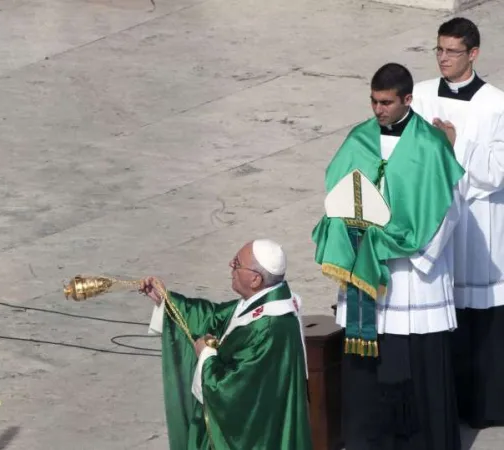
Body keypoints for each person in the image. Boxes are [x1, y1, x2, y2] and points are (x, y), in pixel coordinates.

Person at [312, 63, 464, 449]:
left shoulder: (430, 146)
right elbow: (338, 195)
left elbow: (449, 206)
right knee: (369, 369)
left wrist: (413, 250)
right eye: (374, 101)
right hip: (366, 268)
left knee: (414, 360)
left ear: (407, 100)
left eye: (386, 102)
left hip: (412, 275)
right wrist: (354, 235)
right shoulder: (358, 139)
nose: (378, 109)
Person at [411, 17, 504, 429]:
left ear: (474, 54)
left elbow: (497, 172)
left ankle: (484, 408)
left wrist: (454, 146)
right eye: (439, 50)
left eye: (451, 51)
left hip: (480, 224)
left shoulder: (496, 104)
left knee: (481, 322)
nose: (443, 58)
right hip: (436, 222)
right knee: (443, 317)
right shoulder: (422, 95)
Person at [140, 239, 312, 450]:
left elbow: (230, 389)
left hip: (257, 435)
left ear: (255, 279)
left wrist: (205, 355)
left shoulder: (268, 328)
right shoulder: (263, 301)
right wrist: (167, 300)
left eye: (237, 263)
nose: (231, 266)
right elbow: (214, 317)